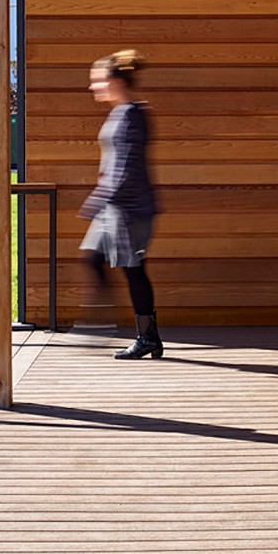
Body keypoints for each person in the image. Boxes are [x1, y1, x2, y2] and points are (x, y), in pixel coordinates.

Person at [79, 47, 162, 360]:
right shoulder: (119, 112)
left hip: (132, 209)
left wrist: (98, 198)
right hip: (114, 208)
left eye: (97, 80)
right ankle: (105, 322)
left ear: (114, 81)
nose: (92, 87)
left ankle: (146, 337)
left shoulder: (134, 115)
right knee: (92, 257)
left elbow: (125, 169)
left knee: (133, 269)